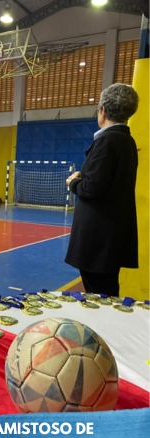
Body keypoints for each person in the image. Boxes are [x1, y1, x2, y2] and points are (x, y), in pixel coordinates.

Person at [65, 83, 139, 297]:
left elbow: (93, 188)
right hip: (112, 233)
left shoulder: (107, 140)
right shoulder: (126, 140)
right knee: (106, 291)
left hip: (98, 237)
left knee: (99, 295)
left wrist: (73, 182)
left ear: (103, 110)